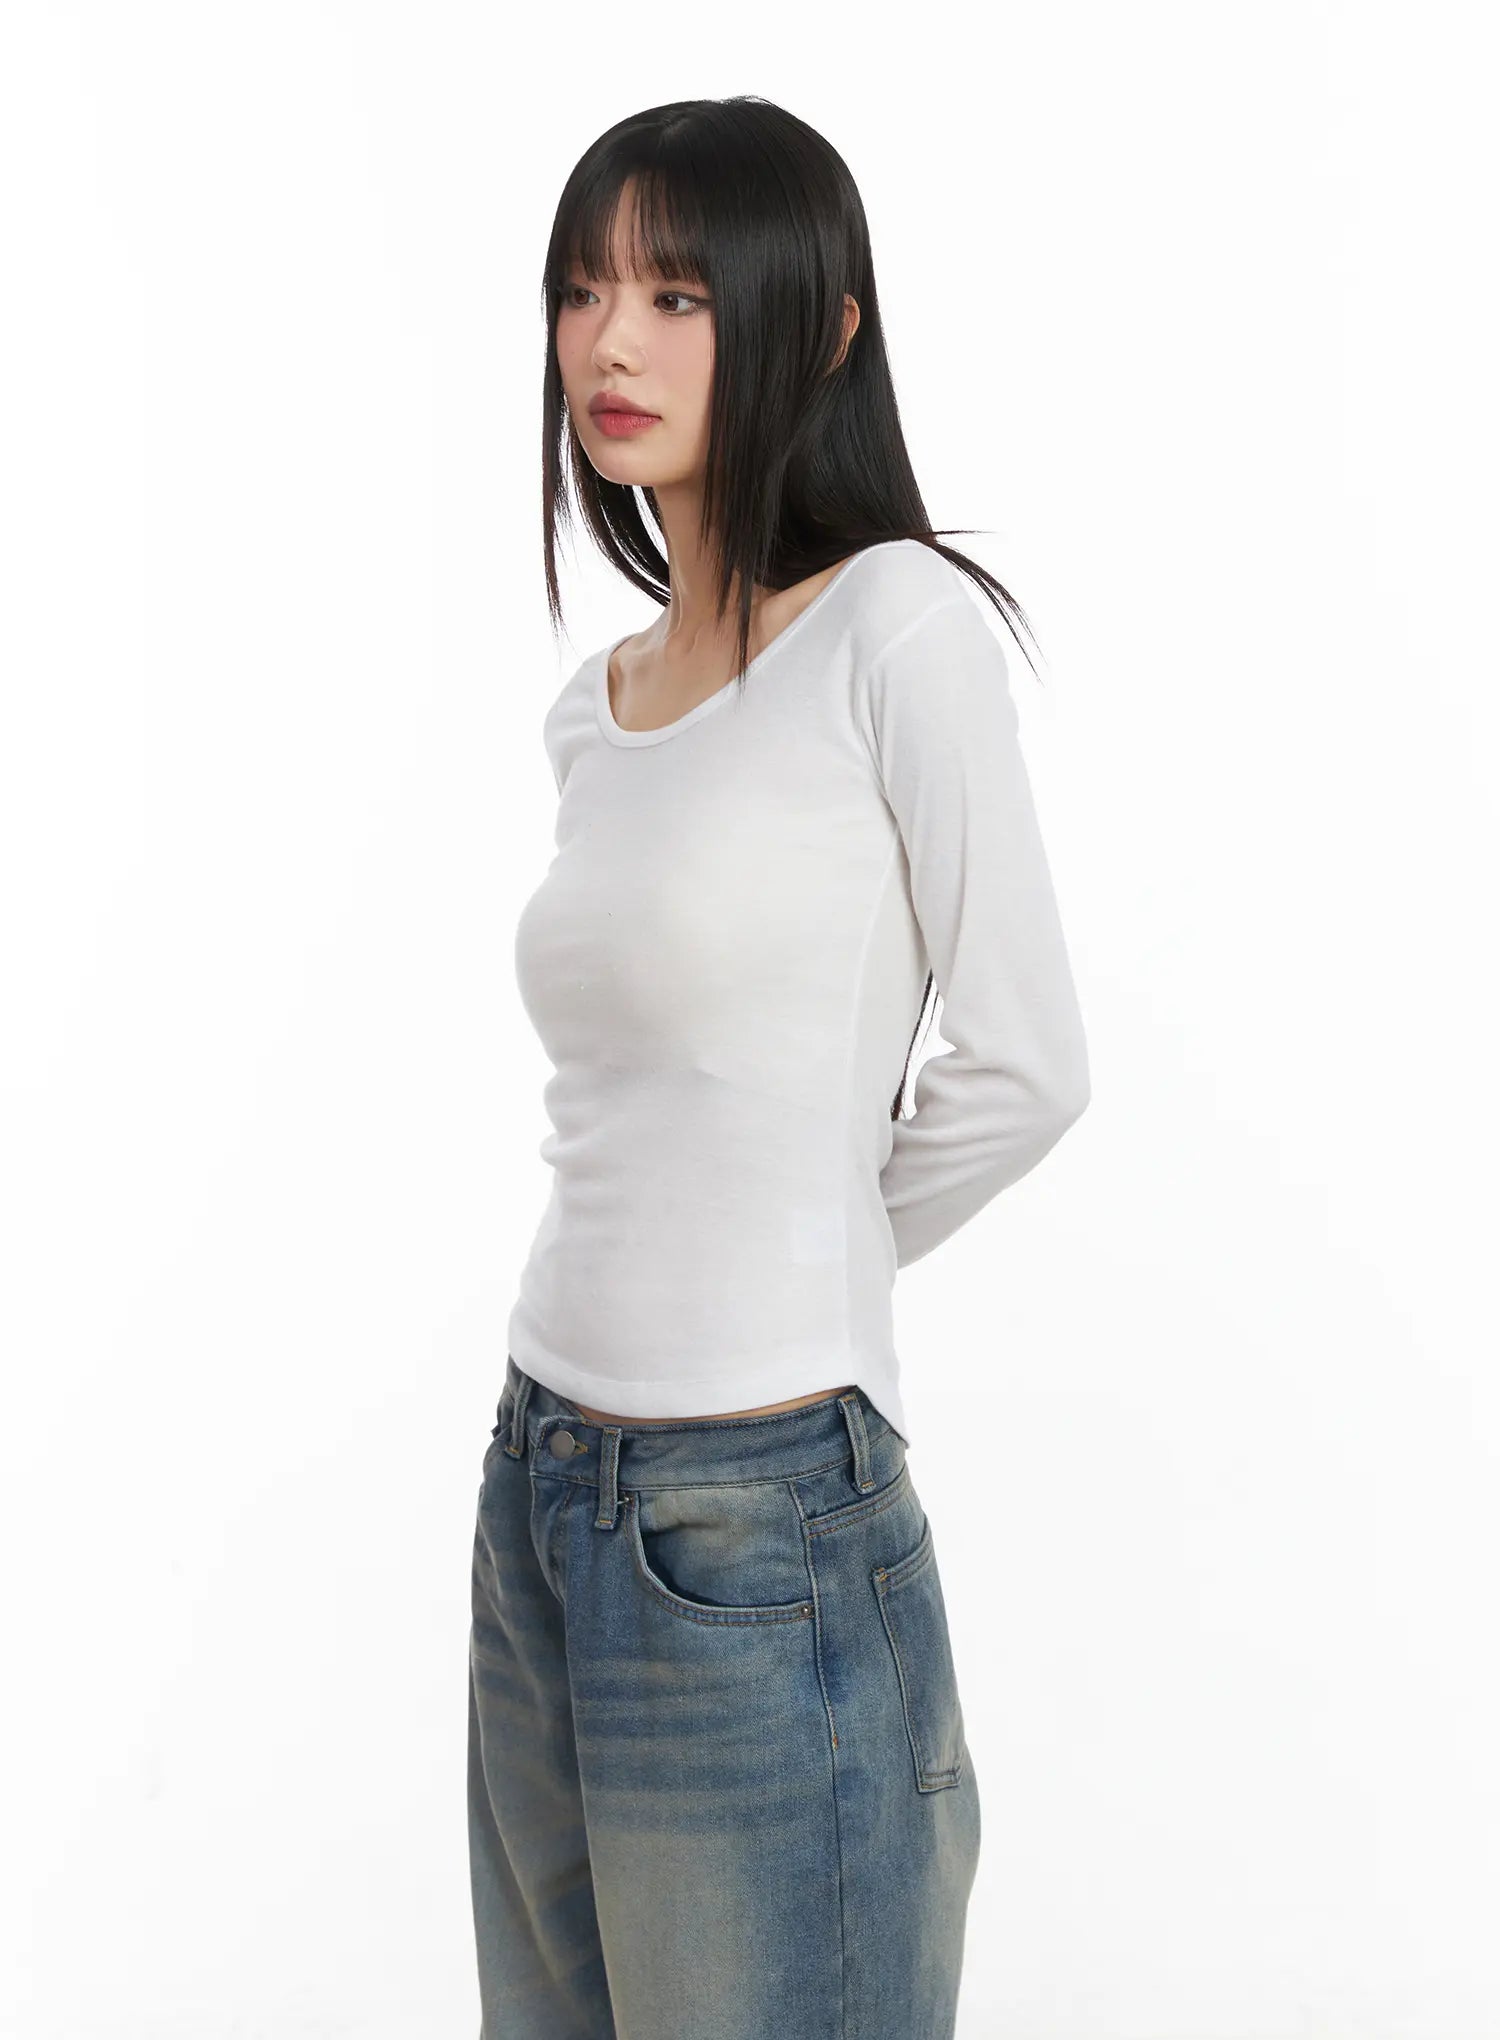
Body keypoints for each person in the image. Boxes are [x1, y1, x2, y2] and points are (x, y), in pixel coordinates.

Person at [469, 94, 1091, 2039]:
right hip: (540, 1484)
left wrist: (811, 1252)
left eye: (677, 292)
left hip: (758, 1520)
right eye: (584, 290)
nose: (612, 342)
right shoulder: (596, 713)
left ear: (817, 325)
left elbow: (1029, 1061)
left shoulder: (896, 627)